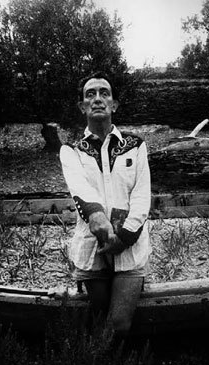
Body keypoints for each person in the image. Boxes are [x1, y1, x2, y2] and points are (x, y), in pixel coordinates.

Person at [59, 71, 151, 335]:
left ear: (114, 105)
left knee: (119, 324)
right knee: (100, 320)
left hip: (129, 247)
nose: (97, 99)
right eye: (90, 94)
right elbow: (80, 189)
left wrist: (124, 237)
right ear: (82, 106)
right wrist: (96, 217)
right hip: (93, 247)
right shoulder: (71, 151)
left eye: (104, 93)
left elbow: (142, 195)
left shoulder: (135, 146)